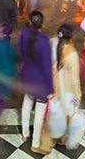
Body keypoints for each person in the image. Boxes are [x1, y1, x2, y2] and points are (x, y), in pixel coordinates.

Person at [19, 10, 54, 151]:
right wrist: (50, 88)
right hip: (40, 80)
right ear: (42, 23)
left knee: (27, 102)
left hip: (27, 75)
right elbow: (46, 66)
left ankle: (24, 133)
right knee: (39, 113)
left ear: (30, 22)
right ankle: (35, 144)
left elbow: (20, 52)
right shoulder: (44, 40)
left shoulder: (24, 33)